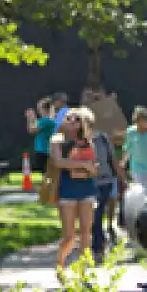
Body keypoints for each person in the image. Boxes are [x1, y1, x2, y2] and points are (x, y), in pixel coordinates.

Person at [50, 108, 99, 273]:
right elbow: (58, 162)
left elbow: (94, 165)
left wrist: (89, 168)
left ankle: (84, 269)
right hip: (67, 190)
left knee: (86, 231)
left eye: (76, 119)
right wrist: (83, 165)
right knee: (69, 235)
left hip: (86, 188)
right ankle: (60, 264)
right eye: (69, 118)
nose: (72, 122)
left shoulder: (88, 140)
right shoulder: (58, 139)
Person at [90, 126, 126, 258]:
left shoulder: (102, 138)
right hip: (87, 182)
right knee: (95, 215)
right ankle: (99, 241)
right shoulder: (77, 140)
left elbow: (113, 161)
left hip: (105, 181)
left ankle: (98, 247)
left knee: (98, 212)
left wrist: (123, 179)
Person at [26, 98, 57, 175]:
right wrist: (32, 119)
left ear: (44, 109)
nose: (39, 111)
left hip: (44, 151)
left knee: (47, 173)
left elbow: (32, 130)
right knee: (47, 173)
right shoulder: (47, 120)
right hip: (46, 151)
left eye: (40, 108)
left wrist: (30, 118)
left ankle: (49, 186)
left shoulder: (46, 120)